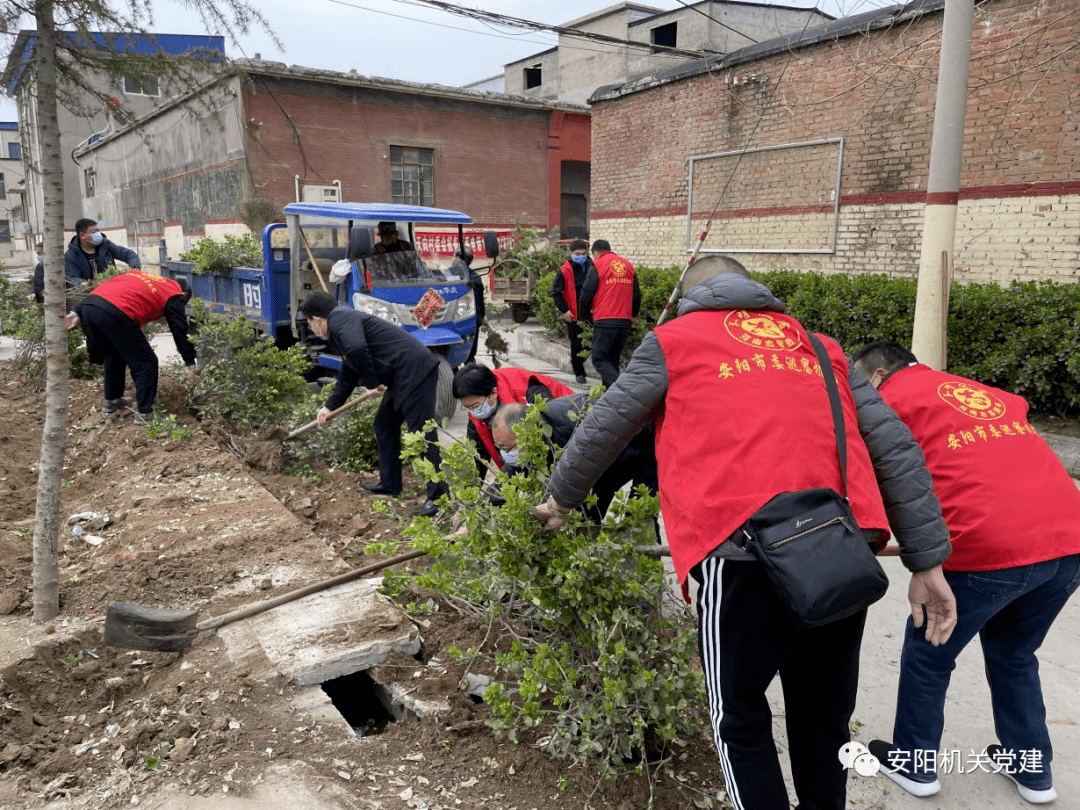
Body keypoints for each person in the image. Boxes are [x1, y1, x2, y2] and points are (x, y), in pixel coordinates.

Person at [532, 255, 957, 810]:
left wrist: (560, 499)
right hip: (836, 558)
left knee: (739, 720)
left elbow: (604, 425)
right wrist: (926, 563)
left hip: (738, 557)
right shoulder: (821, 347)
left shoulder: (674, 341)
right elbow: (896, 449)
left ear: (691, 297)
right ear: (755, 292)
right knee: (824, 724)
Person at [852, 340, 1080, 804]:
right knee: (1015, 653)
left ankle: (914, 763)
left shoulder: (885, 403)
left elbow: (878, 476)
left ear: (875, 376)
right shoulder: (981, 392)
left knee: (930, 649)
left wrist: (869, 542)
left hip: (987, 547)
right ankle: (1032, 771)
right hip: (1069, 541)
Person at [299, 291, 446, 518]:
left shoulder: (340, 318)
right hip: (400, 376)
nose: (313, 330)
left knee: (422, 434)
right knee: (384, 424)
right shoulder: (342, 328)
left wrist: (371, 383)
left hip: (415, 371)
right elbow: (349, 371)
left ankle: (438, 499)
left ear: (316, 320)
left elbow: (357, 350)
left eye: (310, 325)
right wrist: (329, 408)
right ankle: (390, 484)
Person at [492, 395, 657, 523]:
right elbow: (509, 473)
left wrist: (559, 507)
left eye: (506, 448)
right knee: (585, 515)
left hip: (645, 444)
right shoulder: (532, 435)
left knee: (641, 517)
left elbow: (589, 475)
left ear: (525, 435)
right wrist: (484, 509)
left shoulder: (571, 423)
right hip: (600, 458)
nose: (504, 454)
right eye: (500, 448)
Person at [64, 270, 198, 424]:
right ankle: (145, 414)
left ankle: (112, 400)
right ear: (184, 293)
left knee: (114, 354)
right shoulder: (174, 292)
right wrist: (190, 363)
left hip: (89, 307)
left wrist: (76, 311)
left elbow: (104, 289)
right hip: (115, 312)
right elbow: (179, 330)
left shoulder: (140, 276)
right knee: (146, 363)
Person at [452, 362, 574, 478]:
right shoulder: (476, 415)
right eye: (467, 408)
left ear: (493, 393)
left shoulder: (529, 392)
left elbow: (547, 442)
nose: (473, 411)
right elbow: (478, 456)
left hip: (568, 438)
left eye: (474, 406)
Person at [579, 239, 639, 387]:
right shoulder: (628, 266)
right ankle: (610, 396)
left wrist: (583, 315)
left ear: (595, 253)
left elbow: (586, 292)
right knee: (612, 359)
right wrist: (633, 314)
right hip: (624, 320)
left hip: (605, 318)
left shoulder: (598, 265)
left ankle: (621, 388)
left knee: (599, 359)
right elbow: (636, 293)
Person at [551, 239, 592, 385]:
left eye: (583, 253)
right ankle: (579, 372)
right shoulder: (564, 270)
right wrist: (565, 310)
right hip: (573, 314)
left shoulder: (592, 266)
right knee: (577, 345)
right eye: (577, 254)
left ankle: (577, 361)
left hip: (591, 313)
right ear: (571, 253)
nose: (581, 256)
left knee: (592, 344)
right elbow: (556, 293)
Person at [64, 218, 141, 284]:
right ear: (82, 235)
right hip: (88, 295)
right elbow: (73, 277)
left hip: (111, 290)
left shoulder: (106, 245)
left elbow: (128, 254)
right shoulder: (71, 256)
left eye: (97, 231)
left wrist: (135, 267)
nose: (97, 235)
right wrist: (83, 284)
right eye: (93, 232)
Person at [454, 248, 486, 365]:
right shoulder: (476, 277)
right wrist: (482, 317)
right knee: (470, 355)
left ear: (458, 259)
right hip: (473, 320)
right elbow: (480, 302)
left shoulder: (449, 276)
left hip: (454, 320)